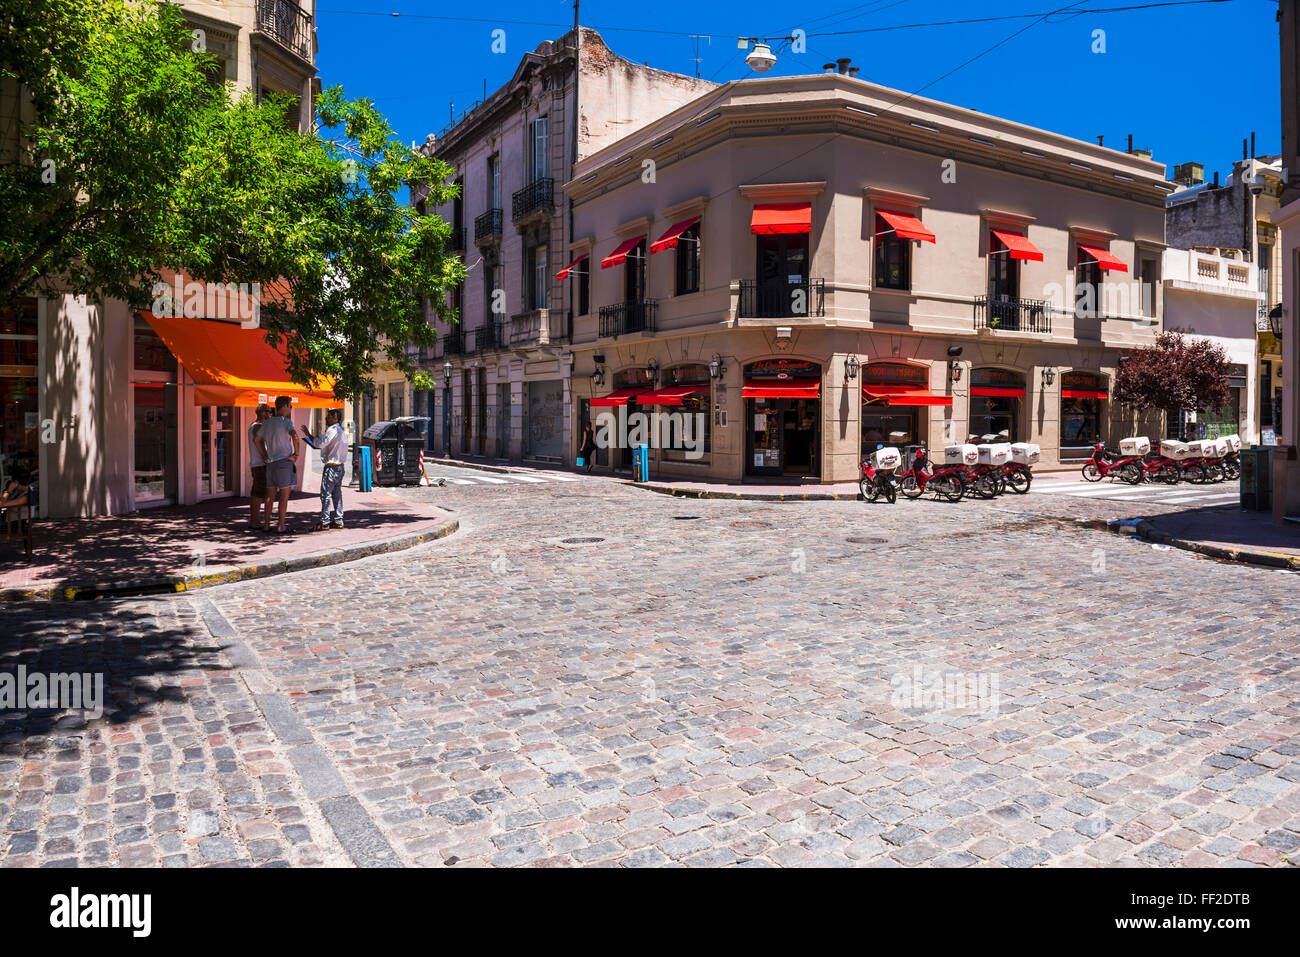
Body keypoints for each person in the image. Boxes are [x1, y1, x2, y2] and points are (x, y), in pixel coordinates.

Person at [255, 396, 300, 534]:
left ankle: (267, 525)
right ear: (285, 405)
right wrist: (296, 454)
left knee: (269, 497)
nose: (291, 408)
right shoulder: (286, 422)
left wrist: (265, 456)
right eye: (290, 405)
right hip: (284, 462)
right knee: (284, 497)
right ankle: (281, 525)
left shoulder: (267, 423)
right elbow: (295, 436)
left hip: (271, 463)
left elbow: (257, 440)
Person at [300, 409, 348, 530]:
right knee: (336, 494)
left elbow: (321, 443)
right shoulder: (340, 431)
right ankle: (338, 520)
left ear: (335, 418)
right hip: (339, 467)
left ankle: (325, 521)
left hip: (332, 467)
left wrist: (310, 436)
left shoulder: (333, 430)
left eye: (329, 416)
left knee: (325, 494)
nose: (326, 418)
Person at [247, 403, 272, 531]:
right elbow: (259, 442)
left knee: (257, 492)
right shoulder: (258, 426)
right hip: (260, 464)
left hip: (258, 464)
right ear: (263, 413)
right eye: (269, 411)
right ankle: (255, 521)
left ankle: (254, 520)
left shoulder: (254, 426)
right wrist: (266, 458)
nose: (270, 414)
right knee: (258, 493)